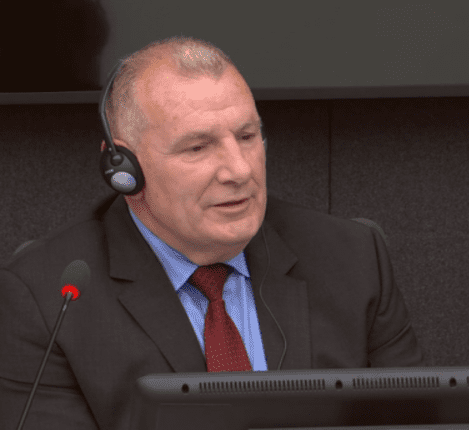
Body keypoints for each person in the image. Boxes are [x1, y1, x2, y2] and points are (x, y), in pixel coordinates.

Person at [0, 36, 424, 430]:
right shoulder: (48, 298)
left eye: (247, 136)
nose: (239, 170)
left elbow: (417, 419)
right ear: (123, 170)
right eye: (198, 147)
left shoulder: (351, 256)